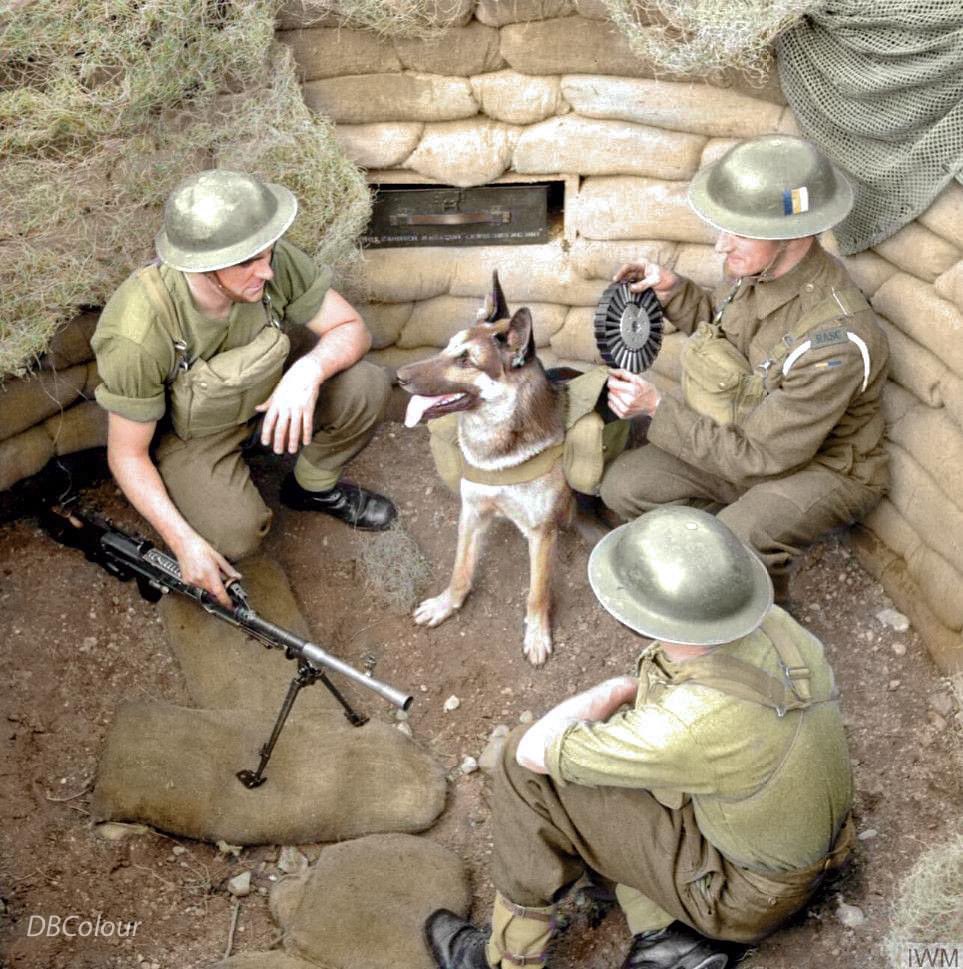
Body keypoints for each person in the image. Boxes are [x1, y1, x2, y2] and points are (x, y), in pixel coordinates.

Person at [424, 507, 854, 969]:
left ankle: (507, 960)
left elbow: (532, 752)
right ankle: (666, 937)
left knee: (522, 773)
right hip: (811, 852)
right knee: (618, 750)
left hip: (740, 896)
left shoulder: (689, 724)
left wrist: (611, 690)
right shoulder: (780, 629)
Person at [599, 135, 889, 600]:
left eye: (738, 232)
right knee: (625, 486)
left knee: (733, 540)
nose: (720, 245)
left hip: (820, 468)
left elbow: (762, 459)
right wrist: (674, 292)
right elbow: (730, 341)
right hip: (745, 440)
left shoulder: (836, 341)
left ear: (794, 236)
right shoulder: (754, 272)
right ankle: (716, 554)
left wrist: (658, 409)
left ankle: (756, 610)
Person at [92, 169, 396, 607]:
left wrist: (306, 373)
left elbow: (350, 328)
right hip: (196, 438)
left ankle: (311, 486)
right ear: (203, 266)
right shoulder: (139, 329)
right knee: (235, 535)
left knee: (366, 384)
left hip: (271, 400)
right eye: (248, 262)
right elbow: (126, 454)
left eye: (266, 252)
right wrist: (182, 544)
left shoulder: (267, 263)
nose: (267, 270)